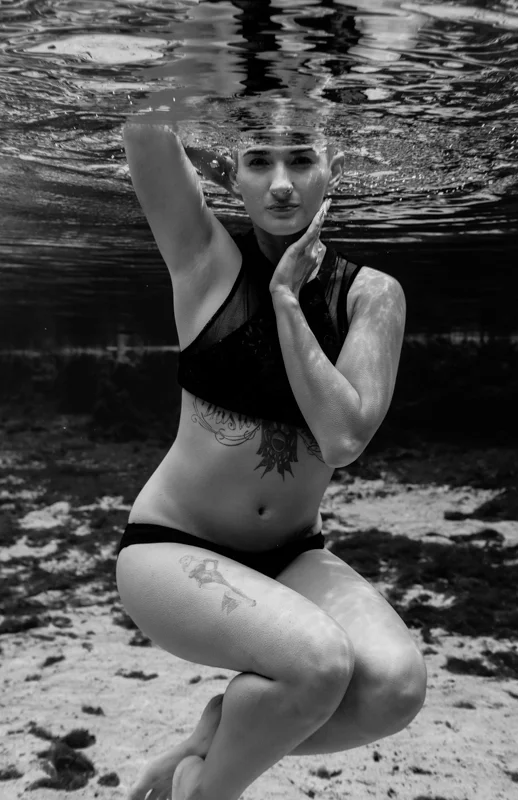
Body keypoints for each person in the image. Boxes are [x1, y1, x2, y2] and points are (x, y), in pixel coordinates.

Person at [116, 118, 427, 800]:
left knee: (395, 689)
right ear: (231, 177)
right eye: (259, 160)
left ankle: (209, 747)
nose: (282, 183)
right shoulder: (204, 260)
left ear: (332, 171)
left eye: (301, 160)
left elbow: (343, 439)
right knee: (317, 663)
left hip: (291, 556)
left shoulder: (372, 295)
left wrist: (287, 299)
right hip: (170, 548)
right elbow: (145, 132)